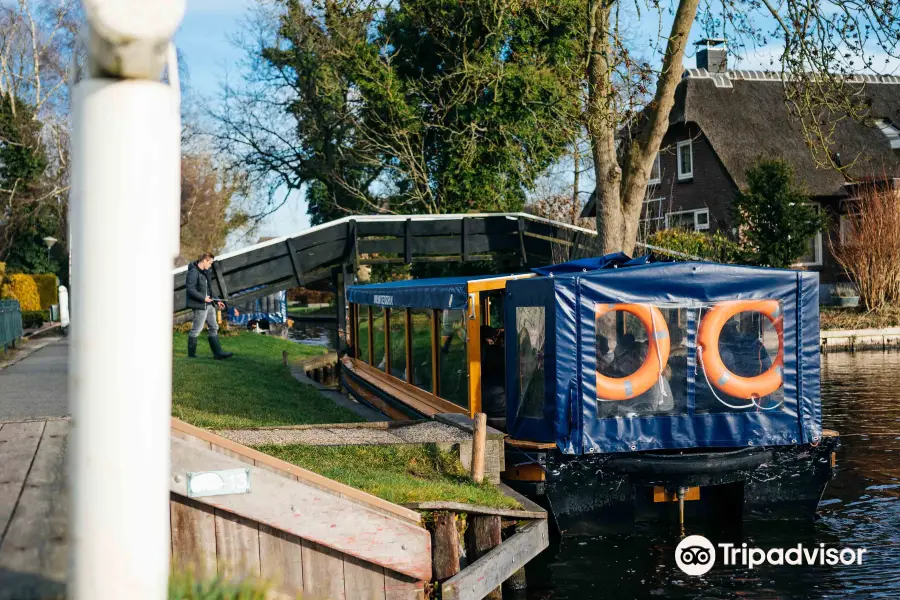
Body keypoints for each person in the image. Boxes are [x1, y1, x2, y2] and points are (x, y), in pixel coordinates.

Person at [185, 252, 233, 360]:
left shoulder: (206, 272)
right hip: (200, 305)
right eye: (210, 263)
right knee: (197, 329)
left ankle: (218, 353)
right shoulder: (193, 272)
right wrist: (203, 298)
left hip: (209, 304)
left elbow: (209, 290)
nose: (210, 265)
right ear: (205, 260)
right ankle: (191, 356)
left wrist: (217, 301)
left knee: (214, 326)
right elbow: (190, 290)